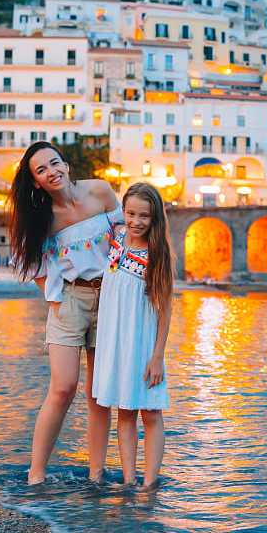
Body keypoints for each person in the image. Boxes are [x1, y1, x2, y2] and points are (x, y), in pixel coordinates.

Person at [8, 141, 122, 484]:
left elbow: (124, 237)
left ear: (66, 165)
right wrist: (54, 298)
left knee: (98, 393)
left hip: (110, 298)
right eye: (41, 170)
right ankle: (36, 474)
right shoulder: (41, 217)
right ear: (36, 181)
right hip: (68, 300)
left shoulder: (100, 191)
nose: (51, 172)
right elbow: (29, 265)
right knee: (63, 387)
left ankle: (96, 473)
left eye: (54, 163)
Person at [92, 182, 174, 488]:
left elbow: (165, 310)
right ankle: (129, 482)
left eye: (144, 216)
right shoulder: (115, 238)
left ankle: (149, 485)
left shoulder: (157, 254)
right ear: (122, 211)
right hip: (117, 342)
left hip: (143, 343)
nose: (136, 221)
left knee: (151, 413)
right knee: (124, 412)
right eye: (130, 213)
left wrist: (157, 357)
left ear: (155, 218)